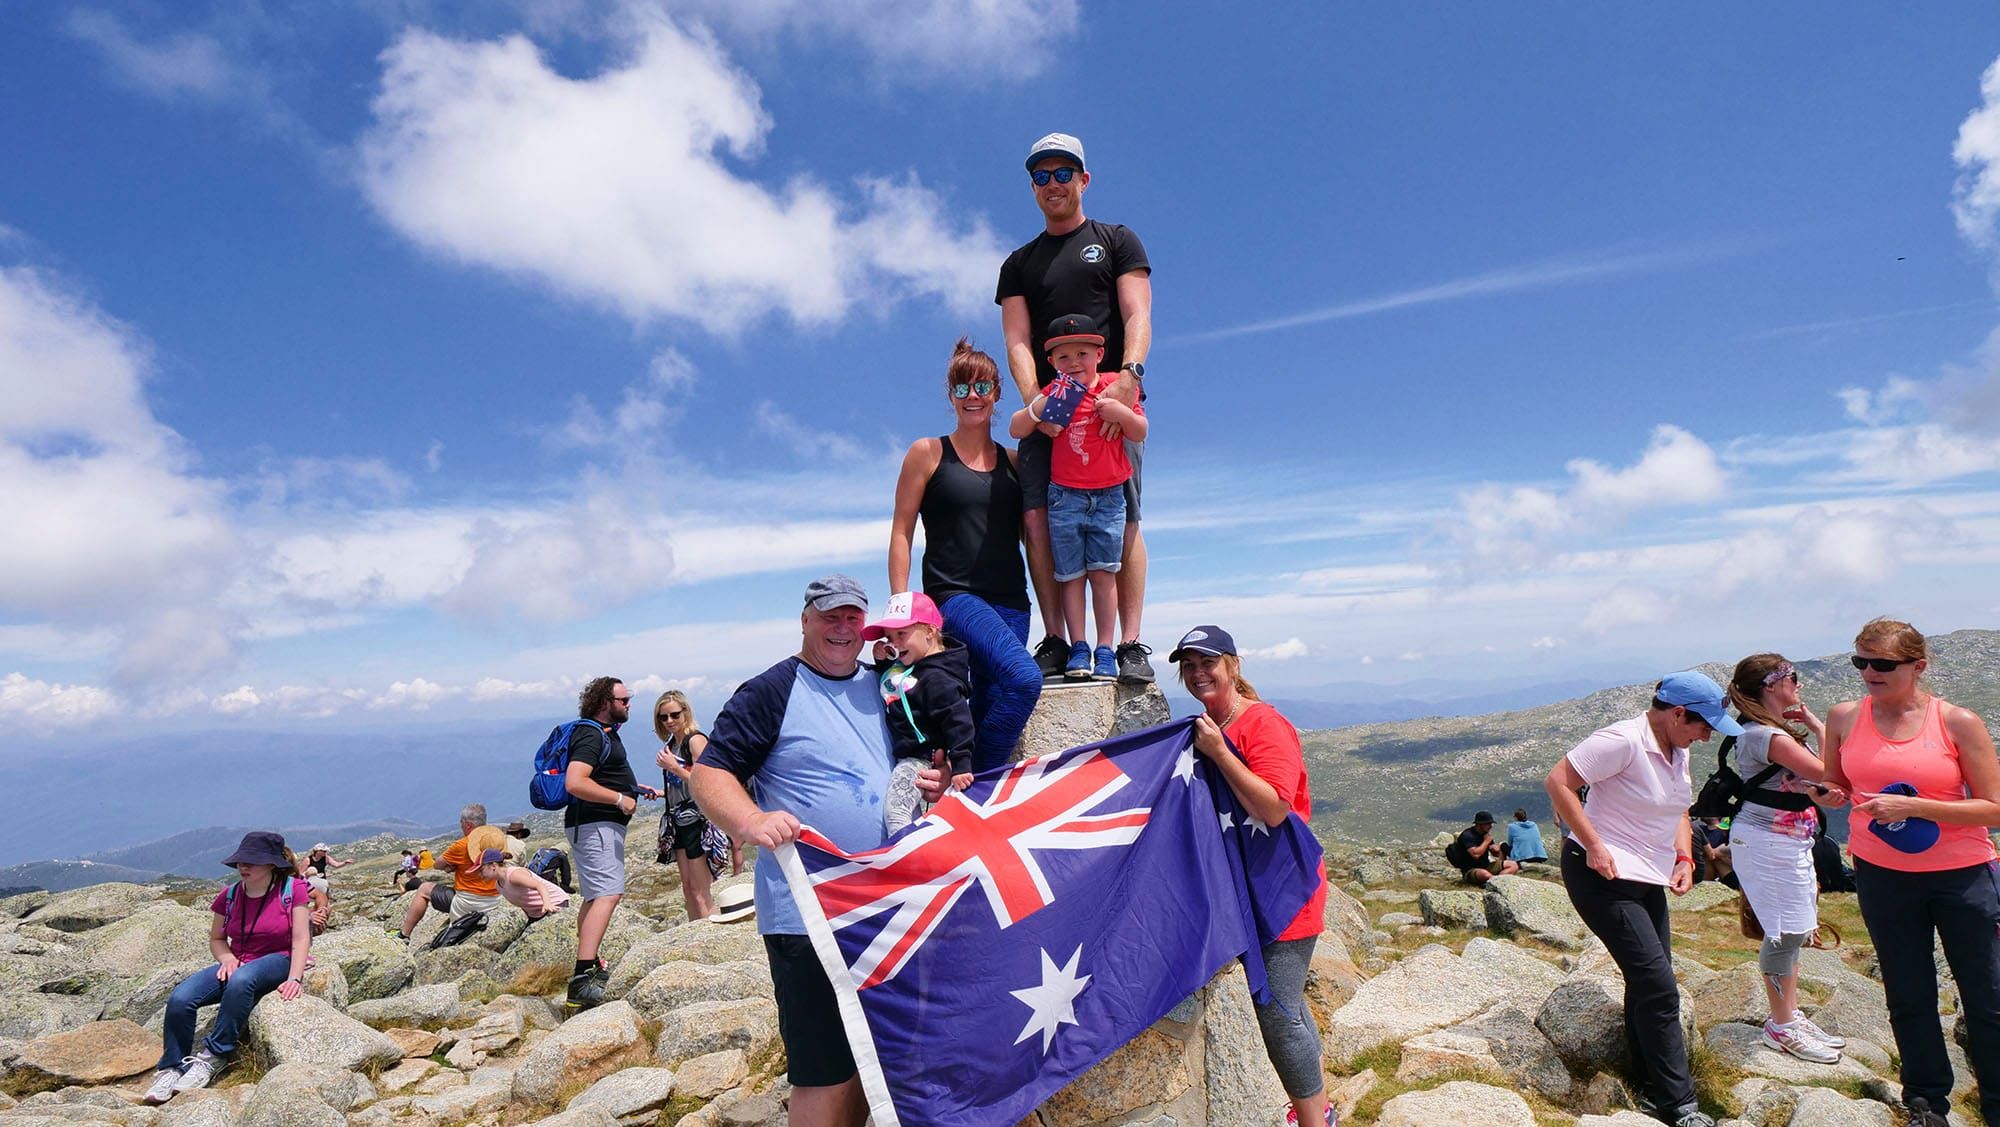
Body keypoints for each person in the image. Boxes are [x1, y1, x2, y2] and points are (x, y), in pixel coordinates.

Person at [691, 574, 894, 1127]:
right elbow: (709, 776)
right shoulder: (772, 690)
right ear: (805, 620)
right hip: (807, 912)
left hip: (886, 905)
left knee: (868, 1058)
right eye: (830, 616)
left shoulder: (885, 684)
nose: (843, 628)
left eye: (853, 617)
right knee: (822, 1069)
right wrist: (751, 819)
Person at [1821, 619, 2000, 1127]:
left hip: (1962, 875)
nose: (1869, 672)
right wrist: (1825, 794)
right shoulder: (1842, 717)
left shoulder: (1957, 721)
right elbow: (1835, 782)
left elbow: (1995, 809)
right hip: (1881, 873)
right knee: (1907, 991)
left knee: (1988, 997)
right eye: (1861, 662)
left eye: (1882, 664)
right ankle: (1926, 1103)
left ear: (1917, 667)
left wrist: (1916, 809)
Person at [1543, 671, 1742, 1127]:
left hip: (1647, 876)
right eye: (1703, 724)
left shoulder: (1678, 748)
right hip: (1601, 876)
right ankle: (1680, 1106)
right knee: (1658, 986)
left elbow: (1678, 810)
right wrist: (1593, 844)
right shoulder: (1622, 740)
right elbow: (1558, 782)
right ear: (1677, 714)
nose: (1708, 734)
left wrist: (1684, 858)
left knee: (1648, 979)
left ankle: (1647, 1081)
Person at [996, 131, 1155, 685]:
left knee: (1125, 518)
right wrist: (1036, 407)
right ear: (1032, 187)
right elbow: (1017, 339)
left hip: (1112, 401)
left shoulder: (1116, 240)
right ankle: (1062, 641)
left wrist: (1129, 381)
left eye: (1063, 173)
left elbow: (1137, 316)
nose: (1053, 184)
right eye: (1041, 176)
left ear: (1084, 179)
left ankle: (1129, 644)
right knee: (1038, 520)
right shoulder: (1018, 264)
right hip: (1049, 410)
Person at [1168, 626, 1331, 1126]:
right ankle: (1318, 1102)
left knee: (1277, 1013)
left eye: (1208, 662)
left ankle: (1312, 1120)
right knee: (1289, 1006)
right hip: (1245, 888)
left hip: (1283, 891)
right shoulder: (1205, 726)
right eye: (1189, 666)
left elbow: (1275, 807)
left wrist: (1218, 753)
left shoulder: (1263, 724)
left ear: (1234, 665)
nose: (1198, 673)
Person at [887, 337, 1042, 772]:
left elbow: (1035, 546)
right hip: (954, 597)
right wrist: (902, 613)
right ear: (949, 396)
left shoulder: (1015, 462)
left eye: (981, 387)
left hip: (1012, 602)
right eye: (960, 388)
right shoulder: (927, 453)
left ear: (996, 393)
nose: (971, 397)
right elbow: (901, 531)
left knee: (992, 702)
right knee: (1025, 680)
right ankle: (972, 784)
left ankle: (967, 807)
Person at [1724, 653, 1850, 1064]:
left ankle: (1789, 1016)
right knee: (1784, 931)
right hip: (1767, 842)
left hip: (1782, 840)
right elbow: (1833, 774)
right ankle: (1780, 1026)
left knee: (1794, 929)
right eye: (1792, 677)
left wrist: (1810, 727)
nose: (1798, 683)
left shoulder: (1771, 732)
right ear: (1772, 685)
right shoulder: (1769, 737)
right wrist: (1816, 726)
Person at [1009, 313, 1147, 681]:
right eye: (1064, 357)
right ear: (1051, 363)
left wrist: (1121, 411)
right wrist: (1038, 410)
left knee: (1104, 575)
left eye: (1083, 354)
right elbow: (1016, 427)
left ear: (1100, 354)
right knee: (1070, 575)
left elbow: (1139, 430)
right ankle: (1079, 647)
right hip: (1065, 497)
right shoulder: (1057, 394)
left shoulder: (1116, 386)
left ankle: (1105, 649)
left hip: (1108, 497)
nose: (1074, 363)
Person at [143, 832, 312, 1103]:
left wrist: (295, 978)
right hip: (238, 961)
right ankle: (172, 1066)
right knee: (181, 997)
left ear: (271, 864)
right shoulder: (229, 895)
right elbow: (217, 939)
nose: (243, 867)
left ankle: (213, 1055)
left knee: (242, 980)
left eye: (252, 862)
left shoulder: (293, 890)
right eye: (241, 862)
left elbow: (302, 938)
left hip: (279, 958)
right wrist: (227, 959)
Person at [564, 676, 661, 1010]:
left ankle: (589, 965)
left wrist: (634, 789)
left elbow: (599, 775)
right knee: (608, 894)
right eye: (624, 700)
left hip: (593, 825)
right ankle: (582, 977)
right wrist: (620, 798)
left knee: (595, 896)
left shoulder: (599, 733)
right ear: (605, 702)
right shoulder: (591, 735)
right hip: (596, 825)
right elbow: (575, 782)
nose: (629, 704)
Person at [863, 590, 975, 832]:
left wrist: (961, 765)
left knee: (896, 813)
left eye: (902, 633)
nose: (894, 643)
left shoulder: (938, 679)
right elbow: (898, 685)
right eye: (889, 637)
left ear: (930, 631)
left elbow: (959, 722)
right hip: (910, 754)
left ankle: (903, 858)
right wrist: (884, 662)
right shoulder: (914, 666)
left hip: (921, 757)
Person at [654, 688, 718, 921]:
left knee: (701, 890)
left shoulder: (695, 740)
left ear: (685, 713)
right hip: (679, 820)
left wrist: (674, 767)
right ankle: (696, 930)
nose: (669, 721)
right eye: (664, 717)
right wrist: (662, 793)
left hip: (697, 821)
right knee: (688, 887)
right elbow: (684, 784)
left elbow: (707, 781)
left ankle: (708, 934)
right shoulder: (672, 745)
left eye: (674, 715)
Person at [396, 805, 503, 943]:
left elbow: (438, 864)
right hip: (494, 899)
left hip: (468, 902)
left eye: (461, 822)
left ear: (468, 824)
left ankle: (404, 935)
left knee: (424, 889)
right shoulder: (495, 841)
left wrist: (453, 866)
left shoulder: (462, 845)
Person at [478, 846, 571, 922]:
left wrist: (547, 904)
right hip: (537, 912)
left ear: (493, 866)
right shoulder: (499, 886)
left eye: (481, 870)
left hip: (555, 903)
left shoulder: (514, 875)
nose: (479, 875)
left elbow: (540, 886)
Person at [1445, 811, 1519, 884]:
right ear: (1479, 824)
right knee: (1484, 874)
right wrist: (1486, 842)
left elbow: (1495, 853)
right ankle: (1495, 882)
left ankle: (1496, 881)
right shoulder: (1468, 835)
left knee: (1513, 865)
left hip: (1486, 865)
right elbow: (1475, 854)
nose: (1490, 826)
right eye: (1488, 824)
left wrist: (1495, 850)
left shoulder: (1485, 835)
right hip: (1471, 869)